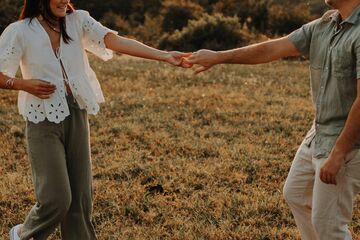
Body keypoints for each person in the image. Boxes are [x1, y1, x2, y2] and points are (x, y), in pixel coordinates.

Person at [0, 0, 190, 239]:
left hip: (77, 112)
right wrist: (22, 84)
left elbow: (116, 41)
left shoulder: (77, 20)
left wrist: (164, 56)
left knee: (80, 199)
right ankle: (22, 235)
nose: (64, 0)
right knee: (56, 198)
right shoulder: (19, 31)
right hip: (43, 119)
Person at [184, 0, 360, 239]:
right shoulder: (325, 24)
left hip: (346, 143)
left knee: (328, 223)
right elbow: (271, 49)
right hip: (319, 133)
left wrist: (339, 152)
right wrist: (218, 56)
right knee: (296, 194)